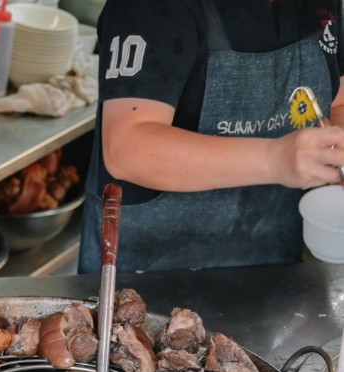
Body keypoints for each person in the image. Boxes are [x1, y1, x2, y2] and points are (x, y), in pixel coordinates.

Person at [78, 0, 344, 273]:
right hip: (149, 281)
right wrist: (276, 159)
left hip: (276, 275)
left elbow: (337, 102)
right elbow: (127, 148)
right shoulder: (145, 8)